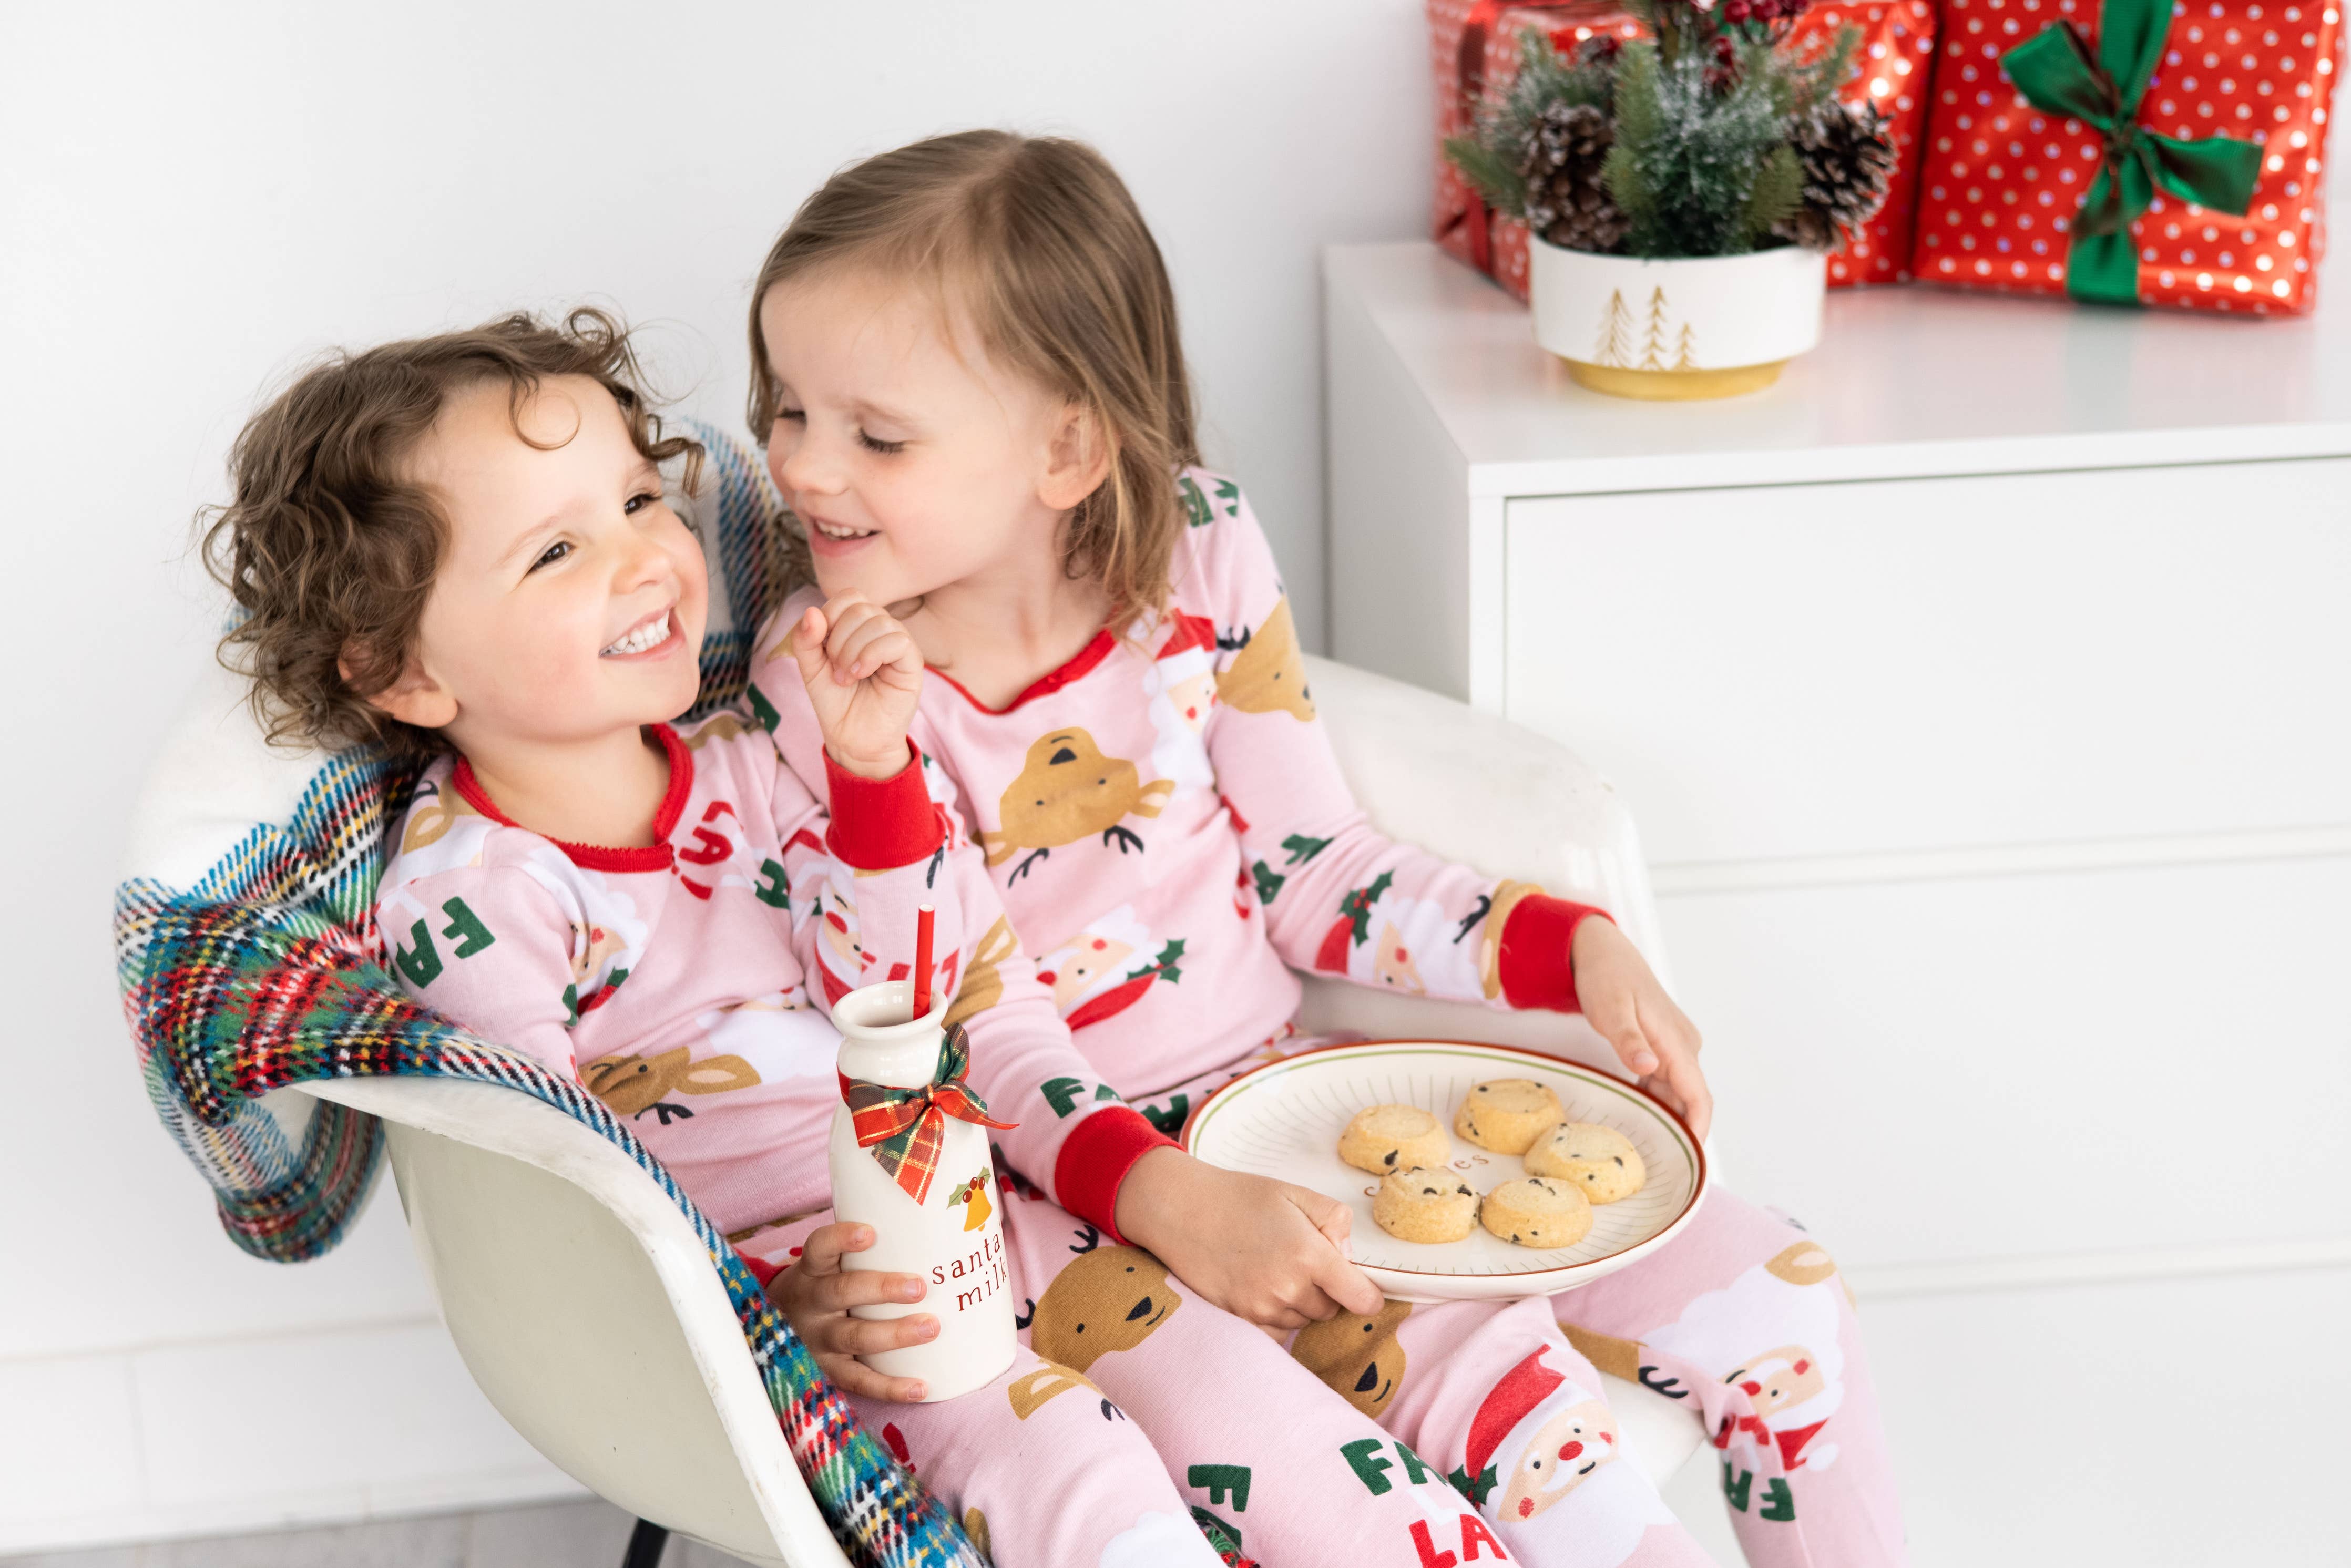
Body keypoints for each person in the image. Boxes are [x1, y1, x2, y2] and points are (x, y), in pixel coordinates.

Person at [742, 130, 1907, 1567]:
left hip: (1292, 1125)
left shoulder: (1202, 557)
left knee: (1780, 1307)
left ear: (1066, 447)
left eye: (873, 433)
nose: (797, 465)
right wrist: (1171, 1198)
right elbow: (960, 1019)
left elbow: (1317, 873)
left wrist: (1568, 945)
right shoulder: (830, 686)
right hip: (1069, 1205)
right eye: (784, 409)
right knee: (1424, 1510)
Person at [200, 310, 1235, 1567]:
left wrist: (870, 775)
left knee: (1248, 1402)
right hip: (828, 1311)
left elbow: (909, 989)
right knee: (1080, 1482)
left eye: (640, 499)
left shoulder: (750, 752)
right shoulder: (469, 900)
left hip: (971, 1203)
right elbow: (568, 1200)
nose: (646, 558)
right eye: (557, 550)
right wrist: (763, 1317)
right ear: (404, 674)